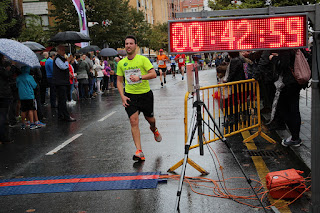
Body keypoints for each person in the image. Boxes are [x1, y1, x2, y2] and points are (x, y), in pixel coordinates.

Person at [117, 35, 162, 161]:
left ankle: (154, 129)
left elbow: (153, 74)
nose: (128, 45)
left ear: (136, 46)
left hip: (145, 95)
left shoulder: (143, 60)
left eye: (131, 43)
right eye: (126, 43)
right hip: (130, 96)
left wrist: (140, 77)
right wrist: (122, 96)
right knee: (133, 121)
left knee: (150, 119)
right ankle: (139, 151)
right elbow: (119, 82)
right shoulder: (121, 63)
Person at [52, 45, 76, 122]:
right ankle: (65, 116)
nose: (64, 52)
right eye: (62, 50)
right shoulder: (57, 59)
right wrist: (68, 61)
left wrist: (69, 73)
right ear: (58, 51)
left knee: (61, 100)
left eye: (64, 50)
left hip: (63, 81)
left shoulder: (62, 58)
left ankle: (61, 115)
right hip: (60, 82)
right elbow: (63, 67)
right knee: (62, 100)